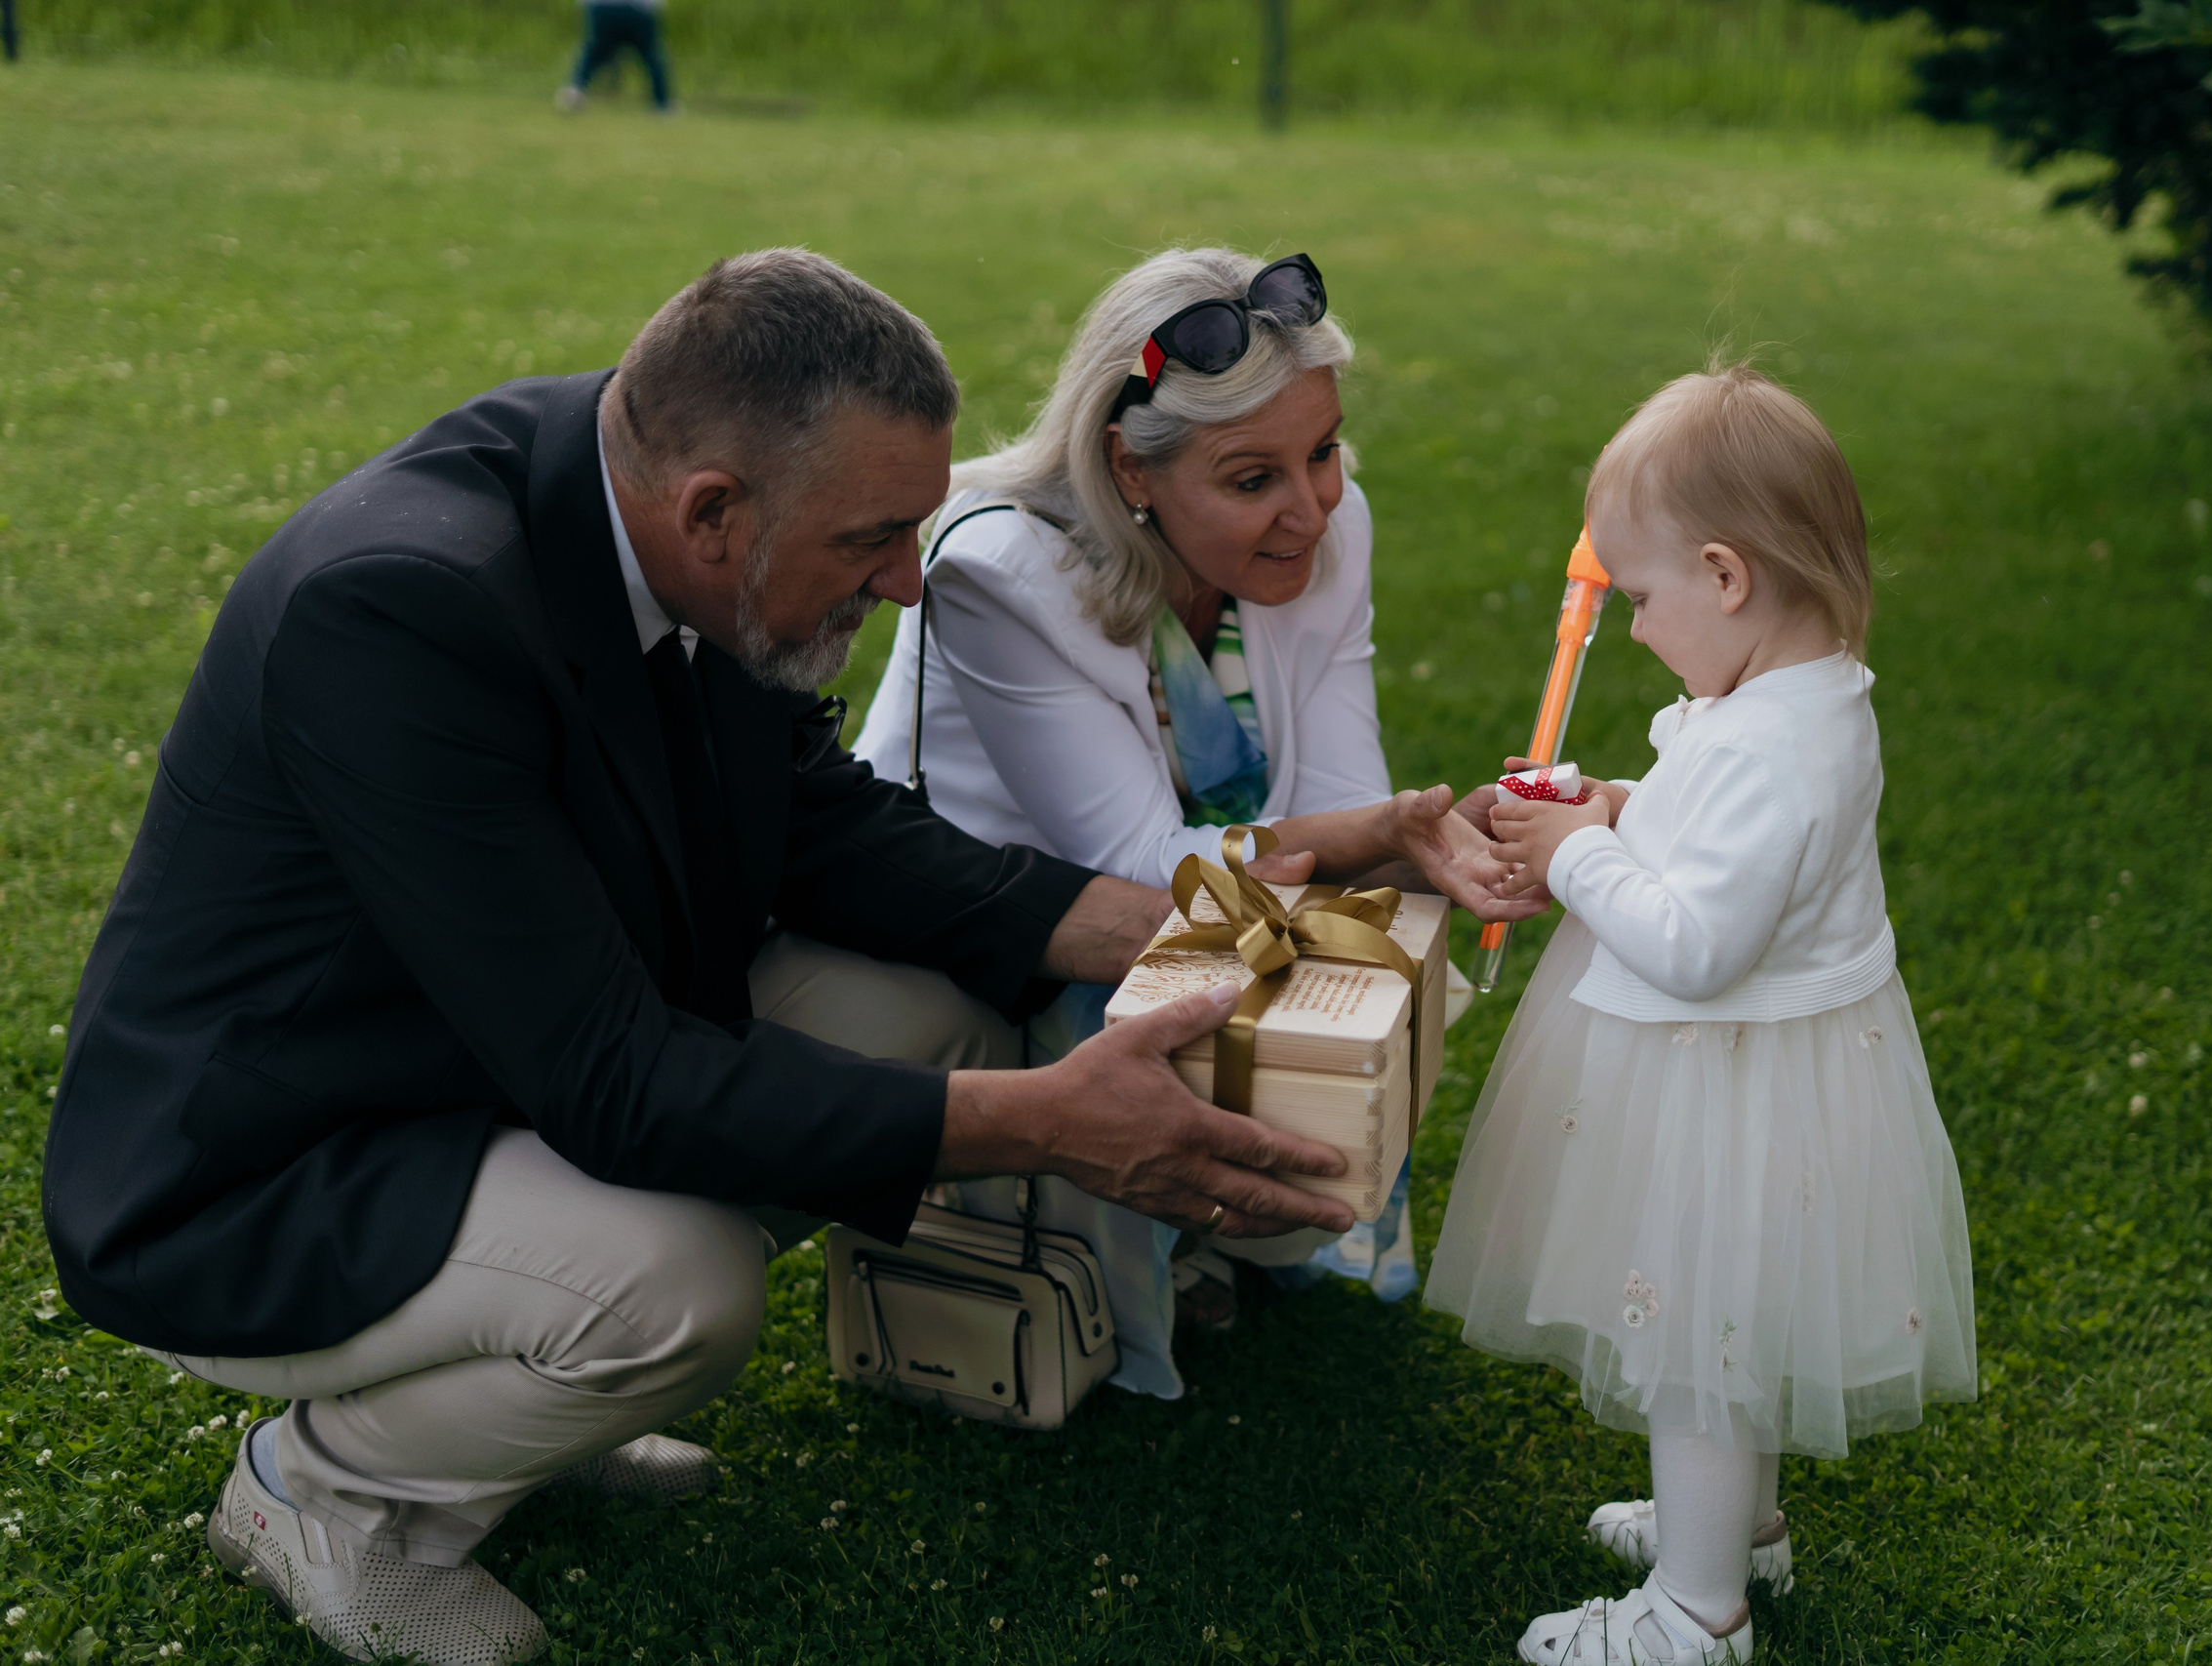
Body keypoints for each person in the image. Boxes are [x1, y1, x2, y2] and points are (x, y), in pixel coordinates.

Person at [42, 250, 1358, 1666]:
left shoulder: (659, 489)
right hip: (267, 1163)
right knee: (683, 1285)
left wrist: (1153, 923)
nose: (907, 581)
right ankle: (328, 1492)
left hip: (490, 1058)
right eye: (873, 538)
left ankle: (518, 1395)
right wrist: (1049, 1121)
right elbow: (609, 1075)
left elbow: (823, 825)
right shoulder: (397, 610)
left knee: (916, 1008)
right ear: (715, 512)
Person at [855, 247, 1538, 1381]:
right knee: (1243, 967)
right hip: (996, 932)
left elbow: (1334, 797)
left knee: (1351, 981)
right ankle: (1105, 1251)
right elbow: (1127, 865)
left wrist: (1415, 836)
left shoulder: (1333, 526)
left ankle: (1234, 1226)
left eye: (1320, 453)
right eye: (1251, 478)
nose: (1310, 509)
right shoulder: (999, 571)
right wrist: (1376, 836)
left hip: (1194, 890)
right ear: (1130, 467)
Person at [1428, 364, 1977, 1664]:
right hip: (1758, 1077)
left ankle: (1694, 1608)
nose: (1625, 629)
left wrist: (1568, 859)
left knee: (1698, 1346)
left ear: (1727, 578)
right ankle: (1738, 1527)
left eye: (1640, 596)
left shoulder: (1775, 749)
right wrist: (1615, 807)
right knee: (1733, 1323)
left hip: (1723, 1080)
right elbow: (1709, 842)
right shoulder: (1784, 703)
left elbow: (1695, 944)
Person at [556, 0, 672, 114]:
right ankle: (662, 103)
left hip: (601, 7)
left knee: (594, 51)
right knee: (650, 53)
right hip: (638, 8)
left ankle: (576, 88)